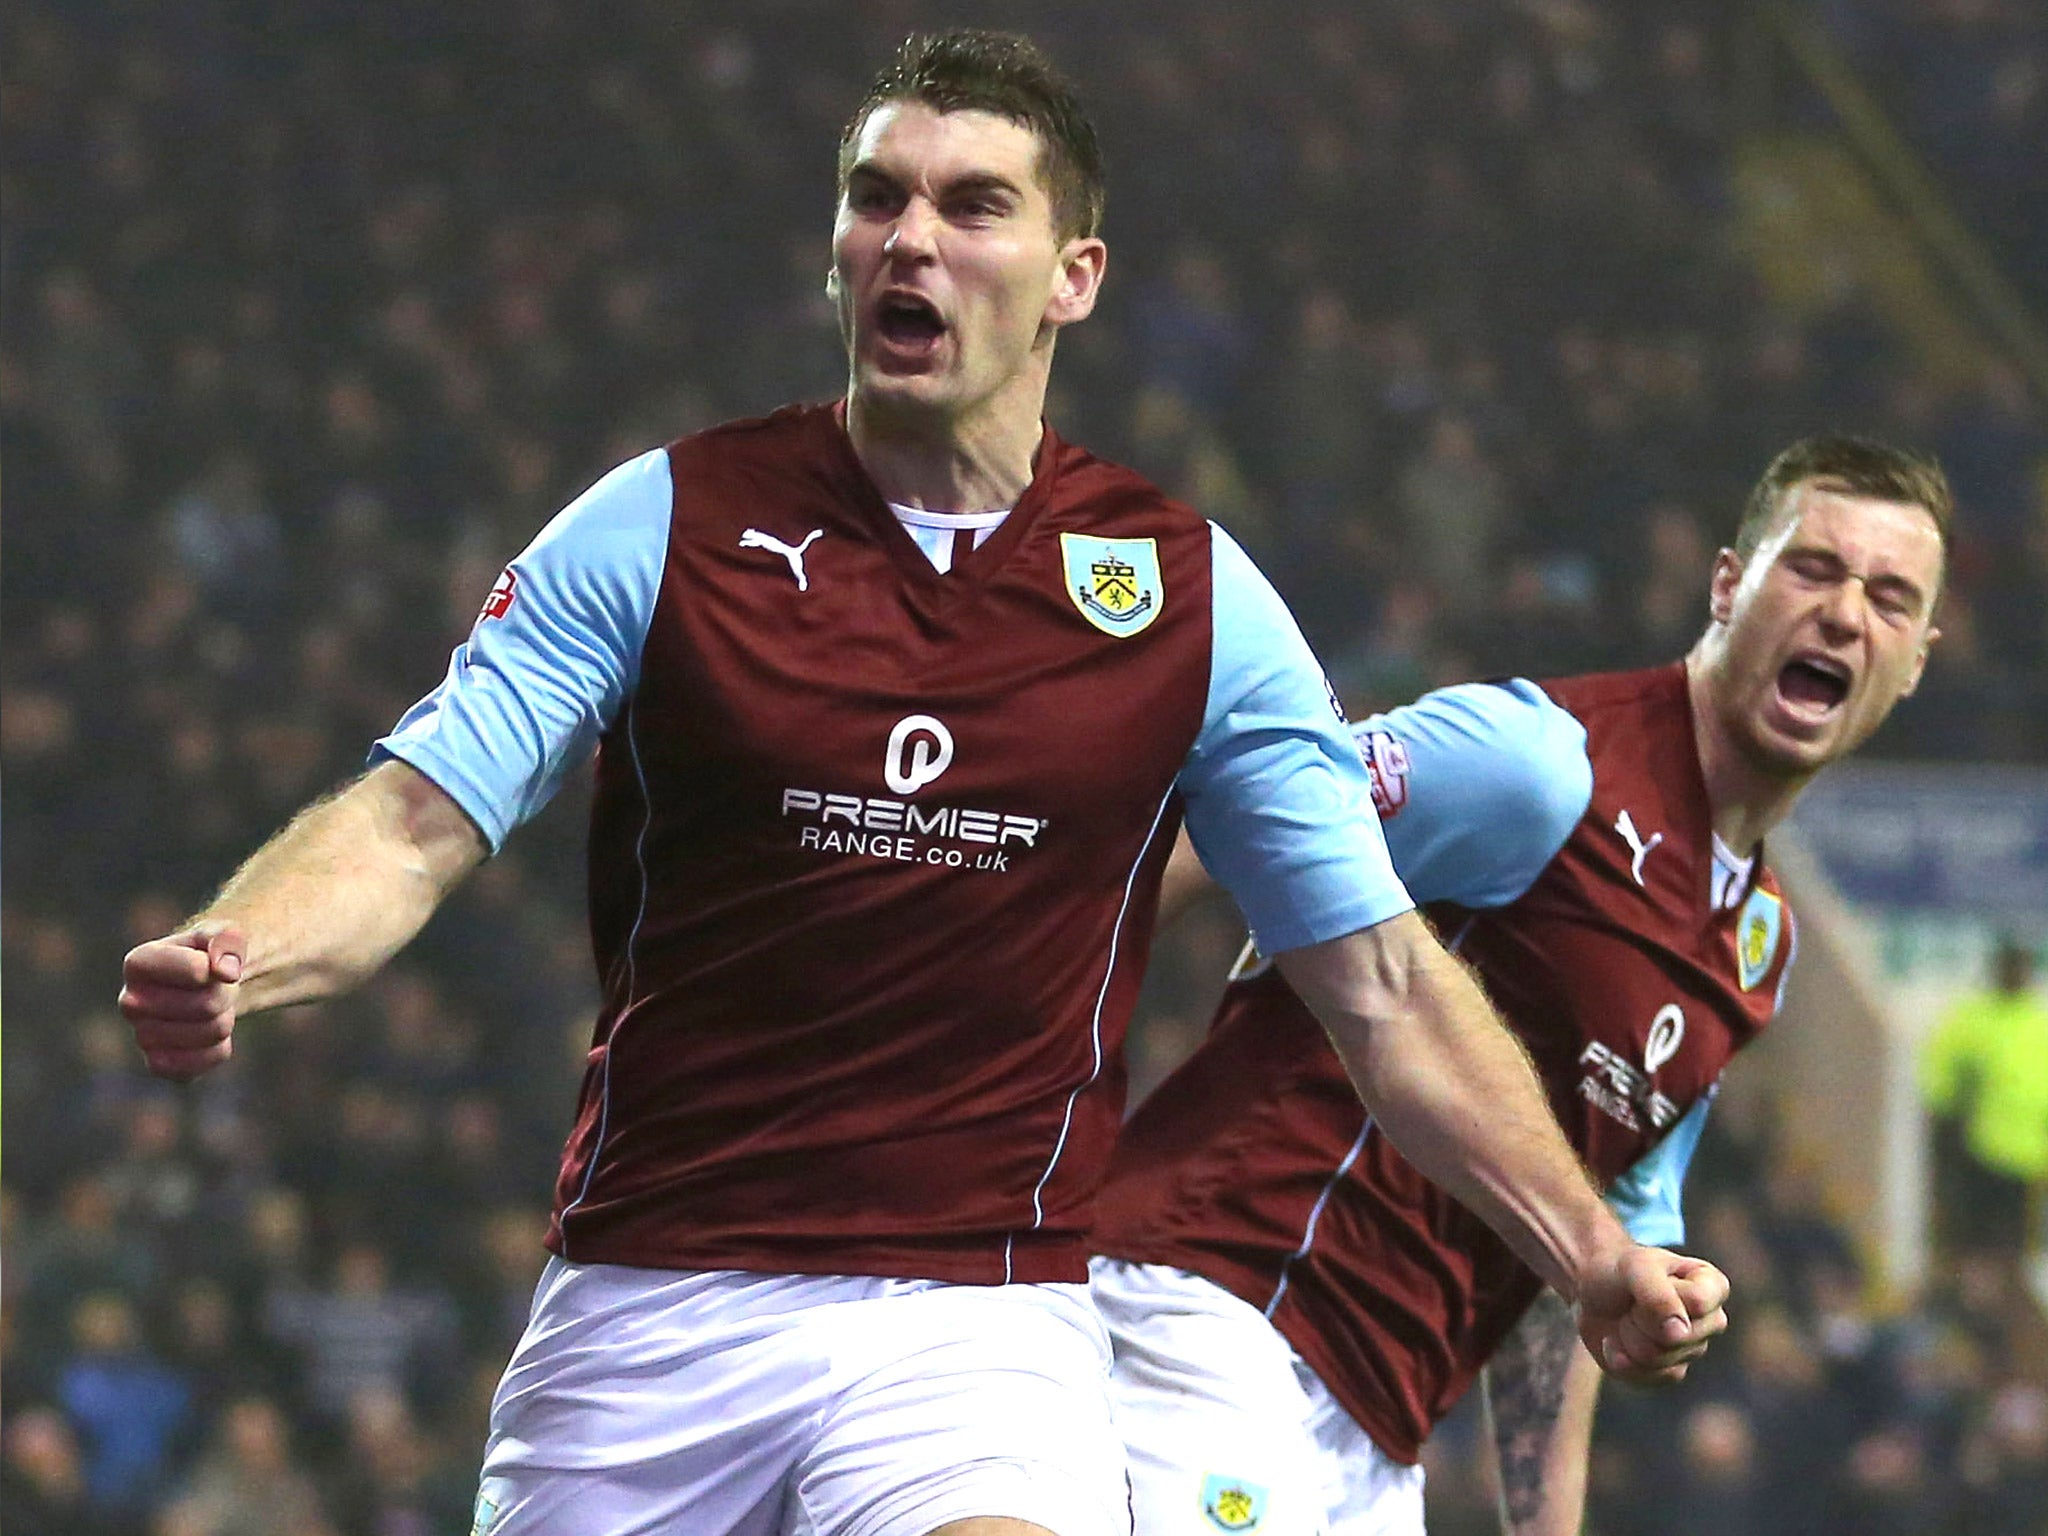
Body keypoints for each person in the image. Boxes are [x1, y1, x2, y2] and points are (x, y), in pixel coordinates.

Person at [119, 32, 1718, 1536]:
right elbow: (412, 824)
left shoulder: (1189, 602)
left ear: (1071, 278)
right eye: (877, 197)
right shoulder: (663, 522)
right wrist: (243, 951)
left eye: (972, 206)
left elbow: (1378, 985)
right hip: (647, 1297)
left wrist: (1588, 1254)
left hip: (974, 1322)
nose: (910, 239)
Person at [1092, 434, 1953, 1536]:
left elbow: (1584, 1274)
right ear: (1729, 585)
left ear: (1918, 656)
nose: (1843, 614)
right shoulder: (1540, 764)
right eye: (1812, 568)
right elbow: (1225, 820)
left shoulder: (1758, 949)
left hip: (1377, 1435)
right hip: (1217, 1313)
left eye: (1887, 598)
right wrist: (1025, 1060)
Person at [1922, 935, 2048, 1263]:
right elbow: (1942, 1081)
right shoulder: (1972, 1018)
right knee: (1975, 1242)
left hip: (2029, 1159)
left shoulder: (2039, 1022)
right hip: (1977, 1152)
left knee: (2018, 1246)